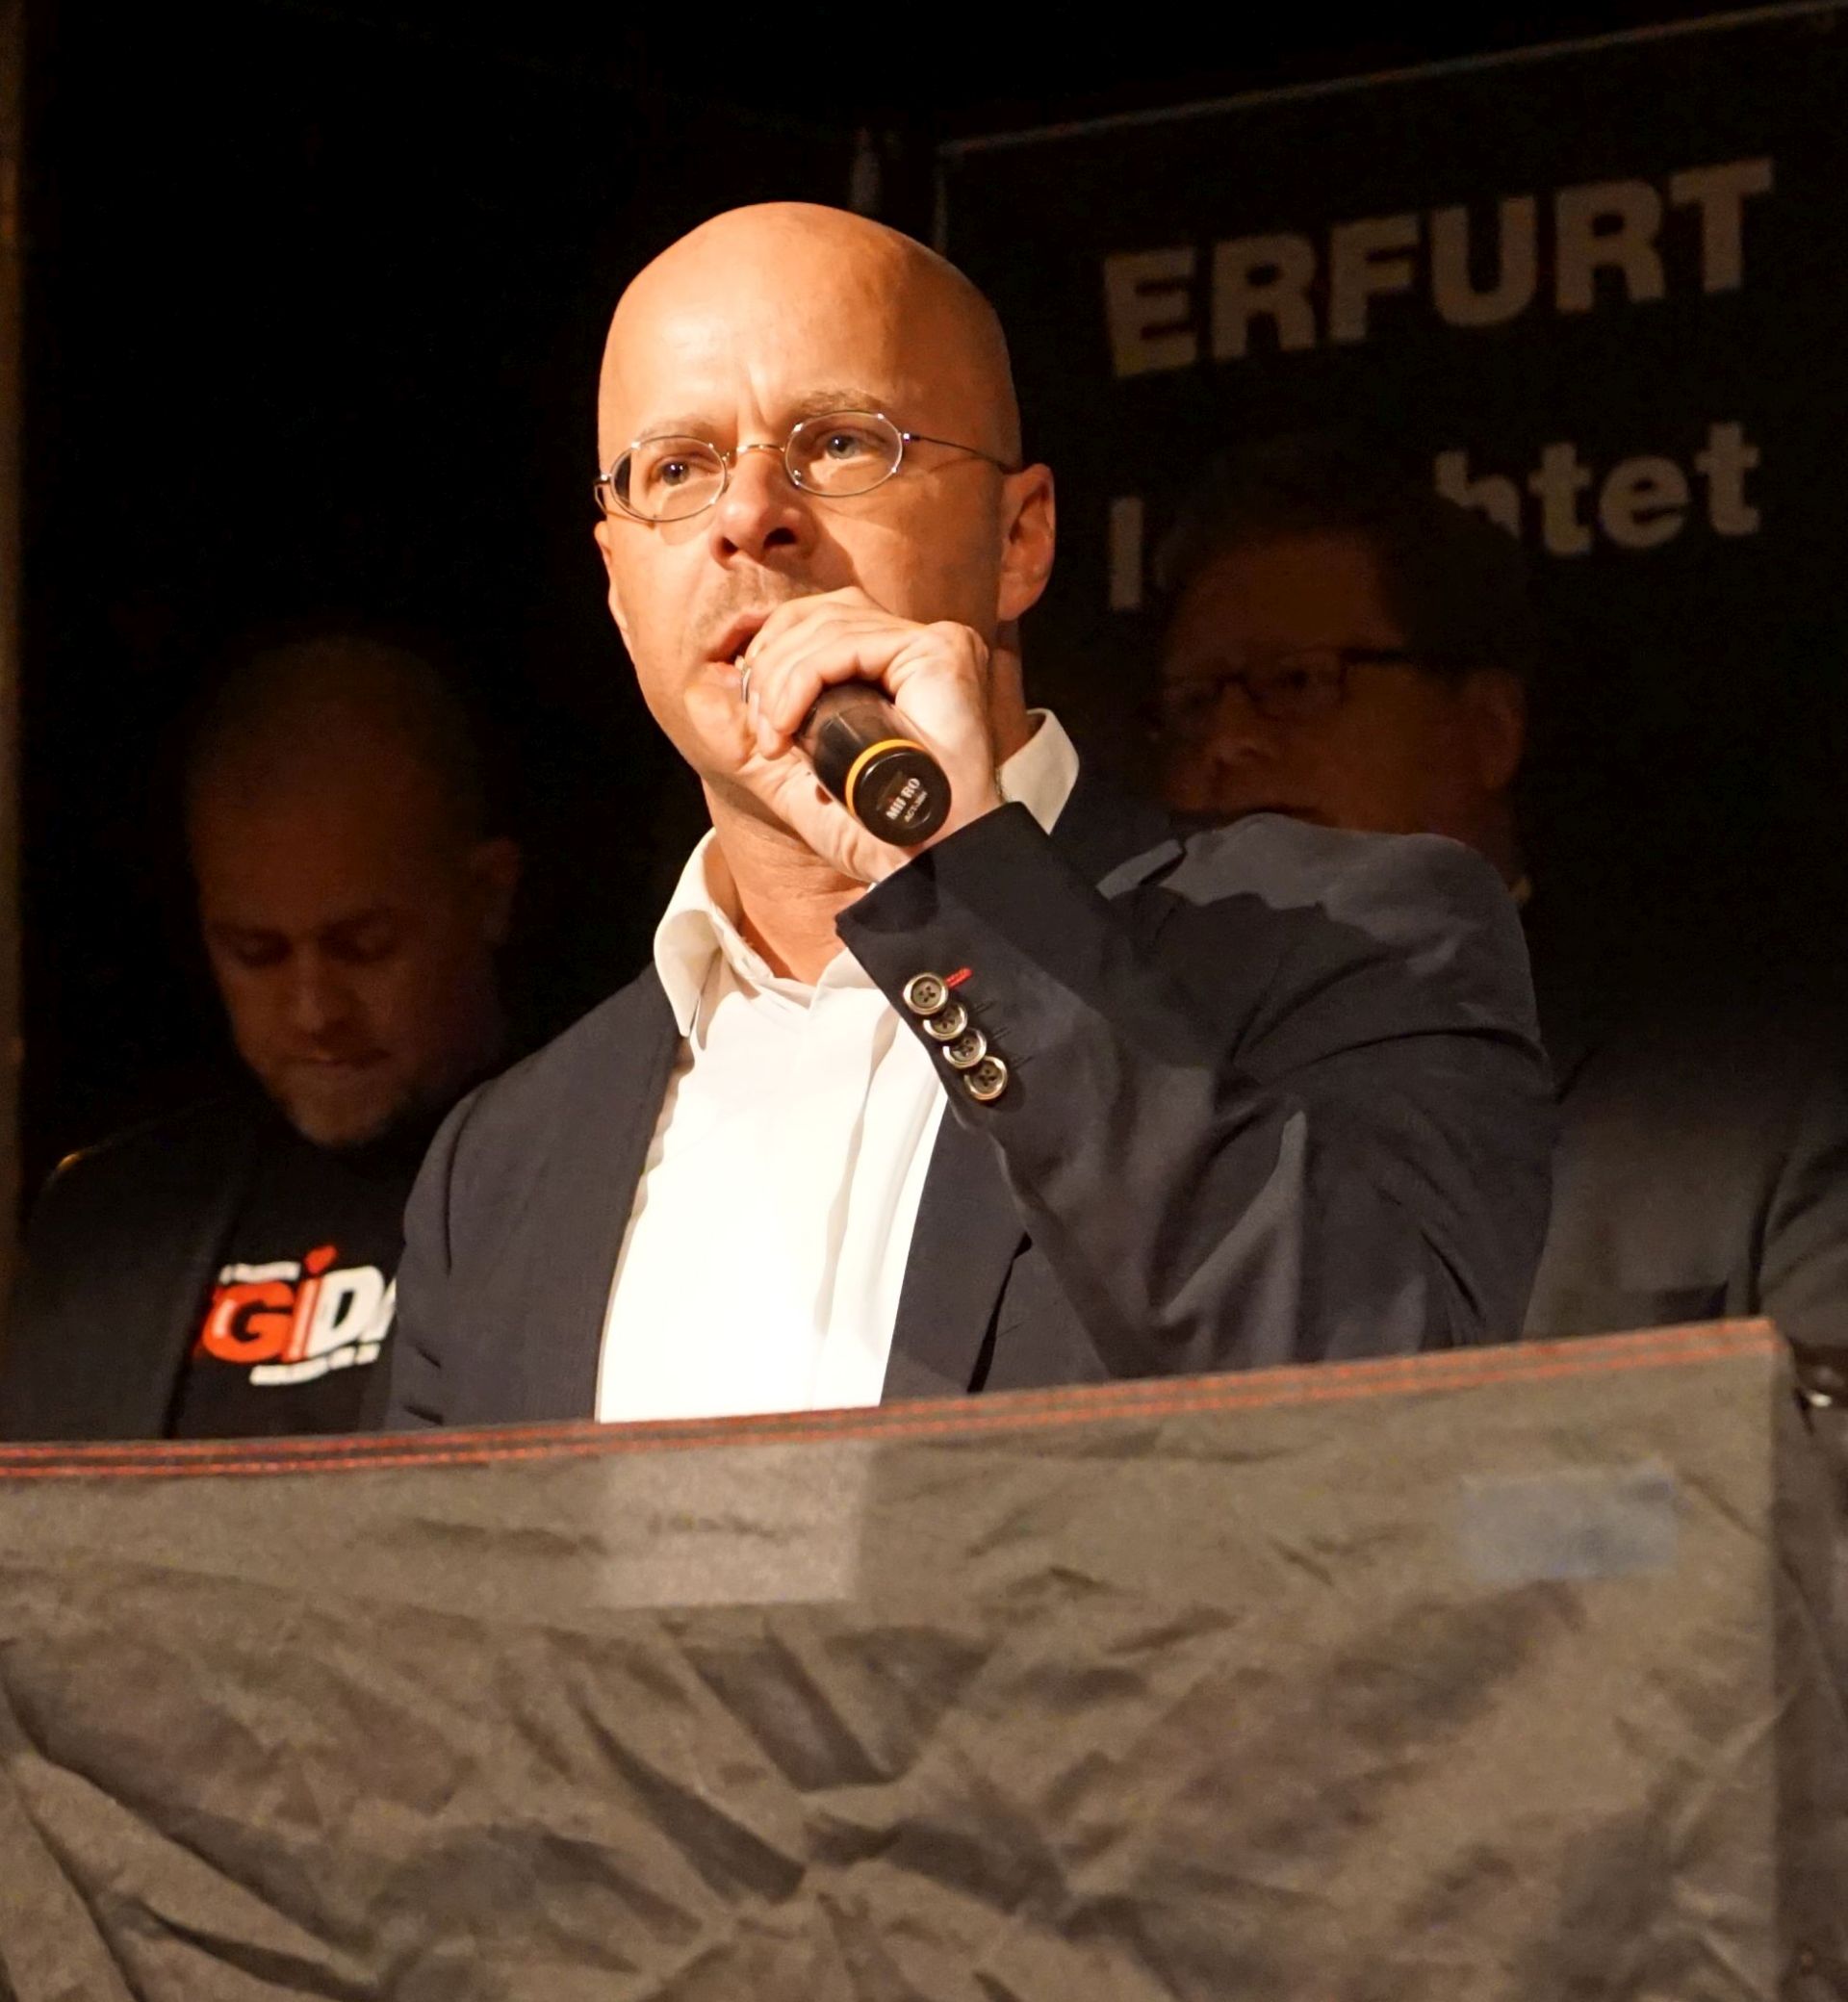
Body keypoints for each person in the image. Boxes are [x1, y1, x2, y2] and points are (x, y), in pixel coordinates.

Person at [384, 205, 1552, 1431]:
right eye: (676, 470)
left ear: (1019, 540)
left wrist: (968, 889)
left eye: (840, 443)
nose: (750, 514)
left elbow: (1384, 1410)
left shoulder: (1348, 938)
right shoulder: (501, 1160)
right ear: (619, 587)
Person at [1155, 435, 1848, 1349]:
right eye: (1195, 703)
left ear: (1488, 728)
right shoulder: (1121, 1109)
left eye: (1298, 682)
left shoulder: (1762, 1106)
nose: (1227, 741)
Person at [0, 630, 521, 1440]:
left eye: (364, 947)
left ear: (488, 897)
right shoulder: (108, 1223)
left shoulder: (597, 1176)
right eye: (256, 954)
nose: (314, 1011)